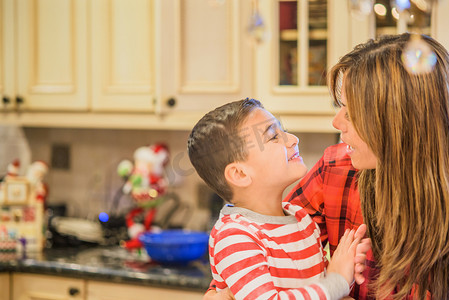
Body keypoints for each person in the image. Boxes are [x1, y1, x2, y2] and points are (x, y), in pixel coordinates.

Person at [205, 33, 449, 299]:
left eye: (352, 113)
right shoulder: (334, 170)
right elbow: (249, 269)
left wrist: (335, 283)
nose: (336, 122)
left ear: (399, 122)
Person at [188, 98, 370, 300]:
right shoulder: (234, 237)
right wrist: (338, 281)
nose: (293, 139)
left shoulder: (300, 219)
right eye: (274, 136)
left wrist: (345, 269)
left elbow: (318, 288)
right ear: (239, 174)